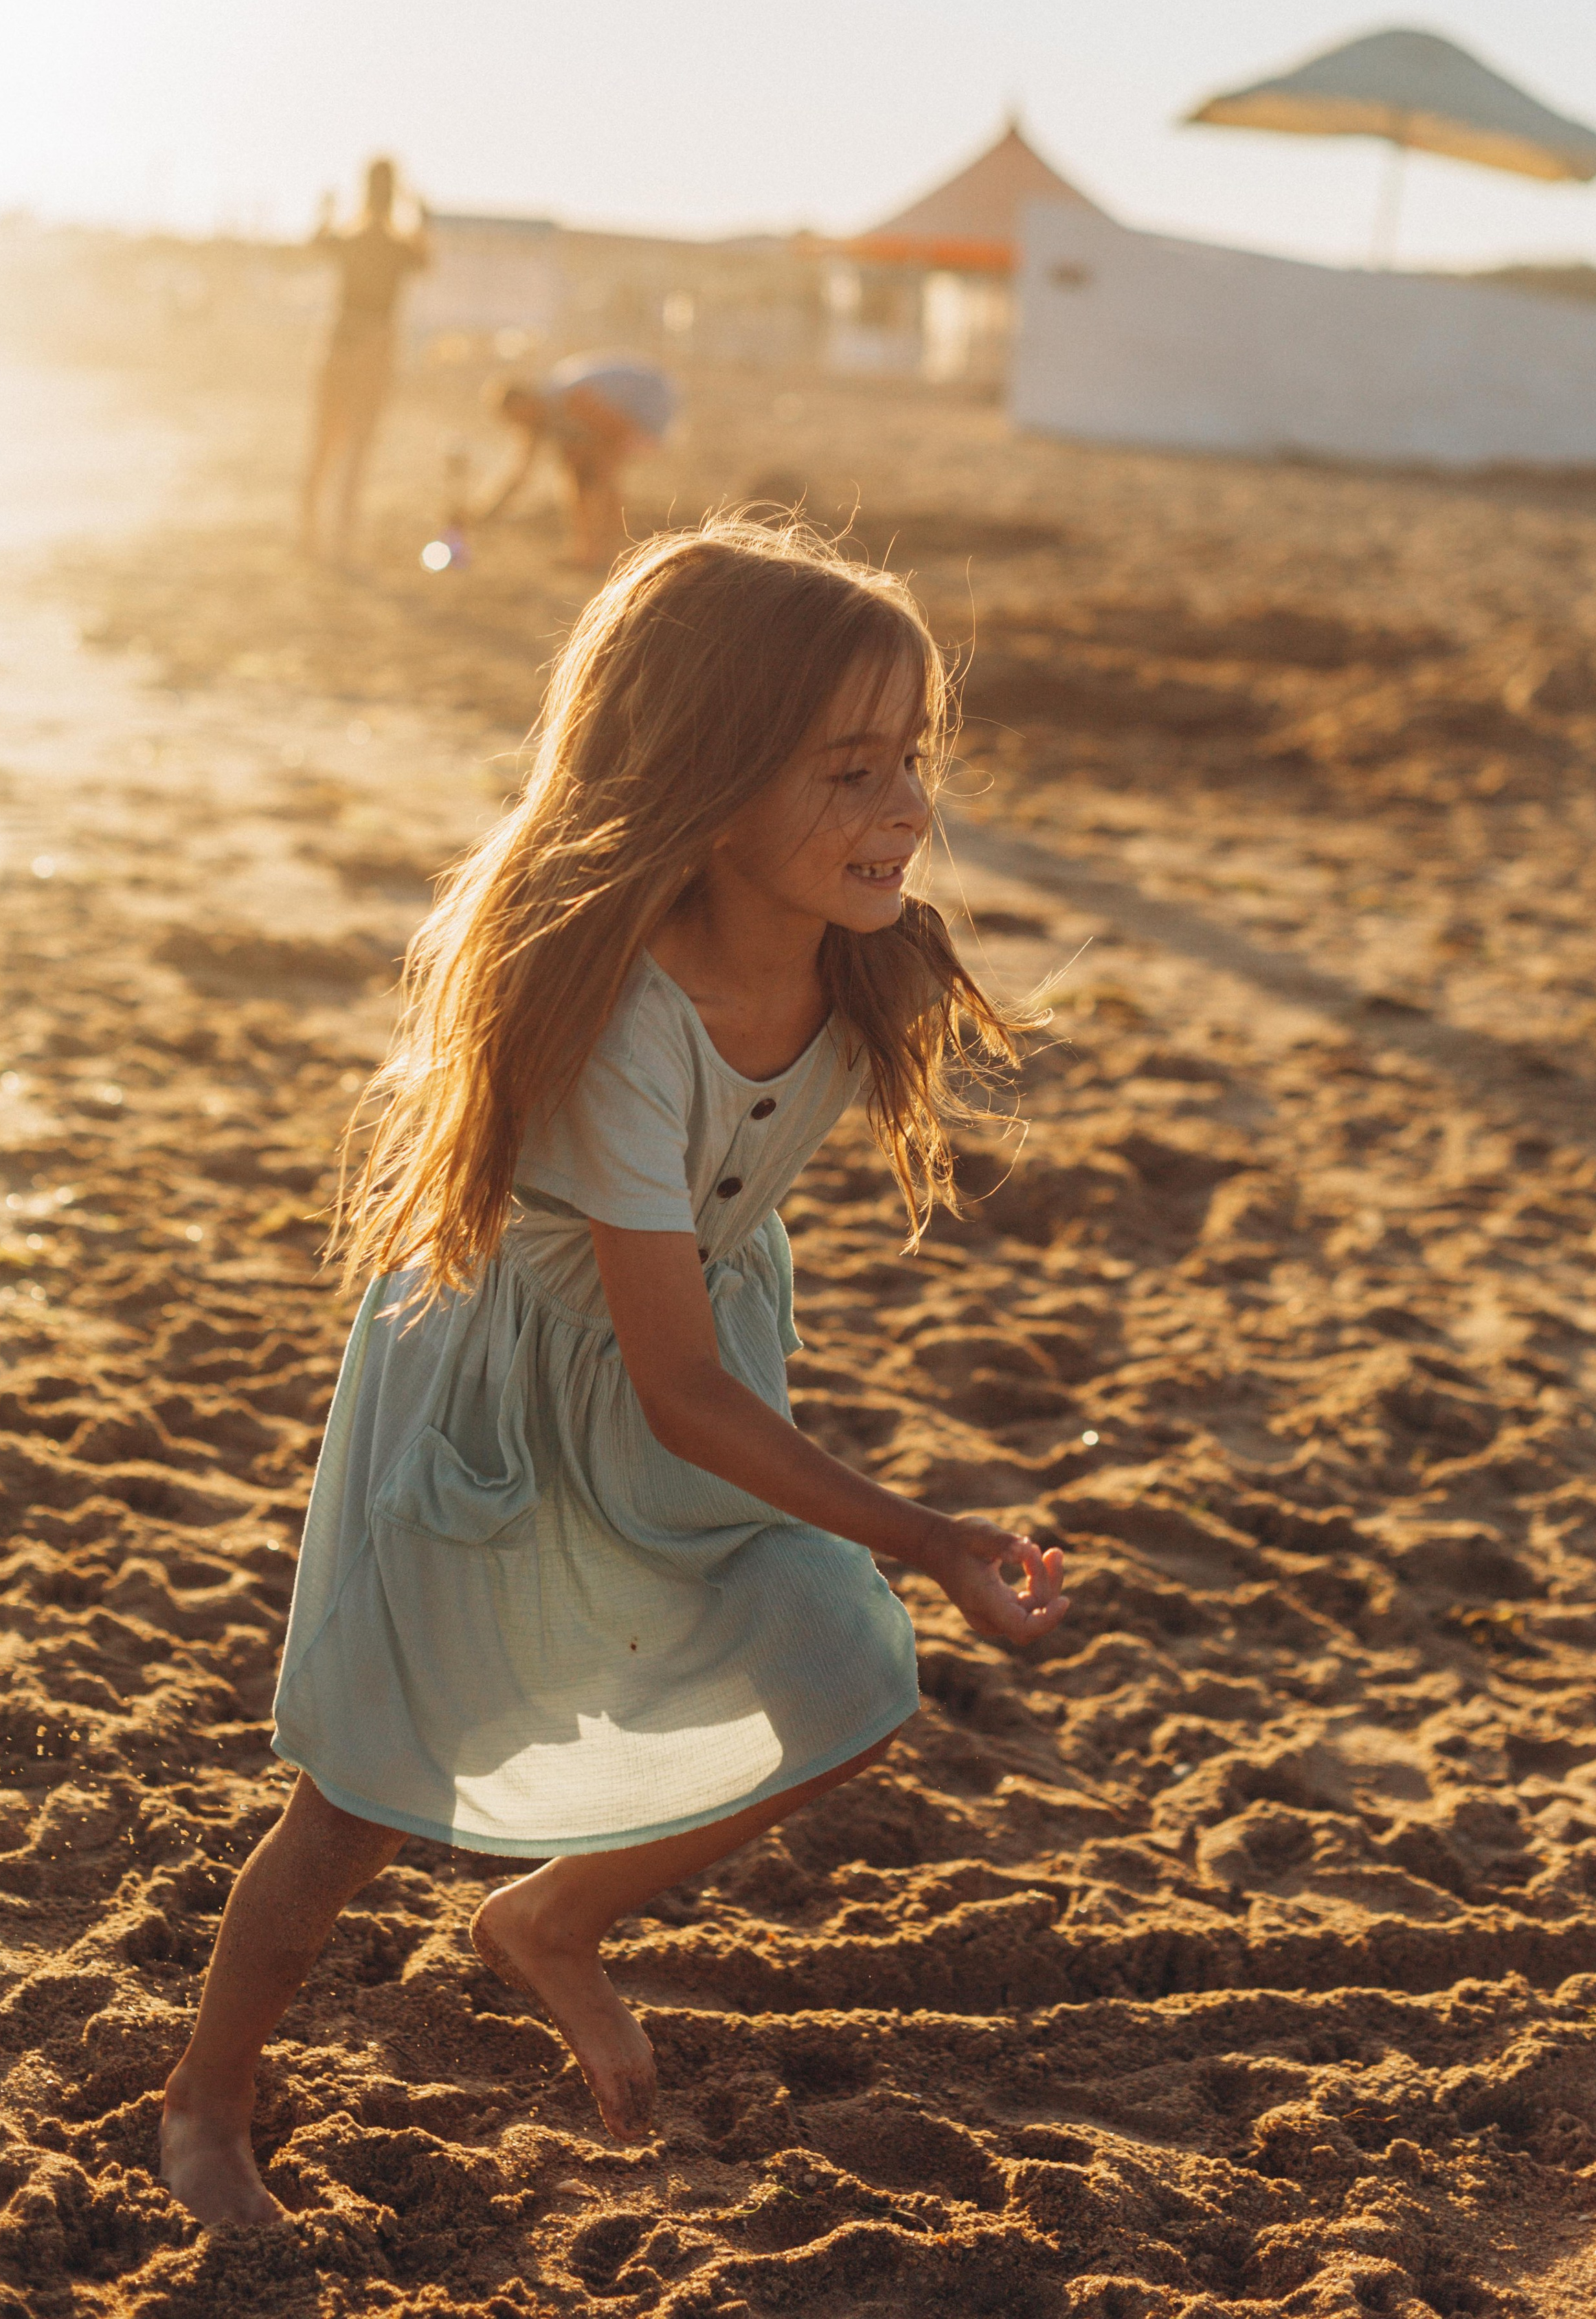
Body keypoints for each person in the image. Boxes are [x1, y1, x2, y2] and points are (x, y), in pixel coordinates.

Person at [159, 512, 1069, 2226]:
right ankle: (206, 2100)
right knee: (362, 1796)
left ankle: (549, 1915)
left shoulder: (872, 951)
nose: (902, 807)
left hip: (686, 1368)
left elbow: (702, 1321)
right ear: (707, 785)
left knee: (840, 1657)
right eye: (849, 770)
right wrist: (929, 1530)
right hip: (510, 1401)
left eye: (911, 758)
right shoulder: (616, 1017)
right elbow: (677, 1389)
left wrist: (893, 1549)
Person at [300, 157, 430, 565]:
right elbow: (425, 261)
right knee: (355, 445)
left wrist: (326, 210)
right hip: (373, 345)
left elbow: (316, 242)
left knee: (327, 440)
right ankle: (335, 536)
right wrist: (420, 215)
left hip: (343, 341)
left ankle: (313, 530)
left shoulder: (353, 238)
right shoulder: (395, 244)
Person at [480, 352, 678, 565]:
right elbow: (521, 473)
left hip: (651, 401)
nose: (521, 424)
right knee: (575, 467)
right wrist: (486, 512)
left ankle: (611, 549)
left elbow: (616, 434)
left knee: (598, 468)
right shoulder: (537, 418)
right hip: (619, 413)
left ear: (528, 400)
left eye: (519, 416)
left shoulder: (571, 399)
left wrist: (600, 461)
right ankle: (586, 549)